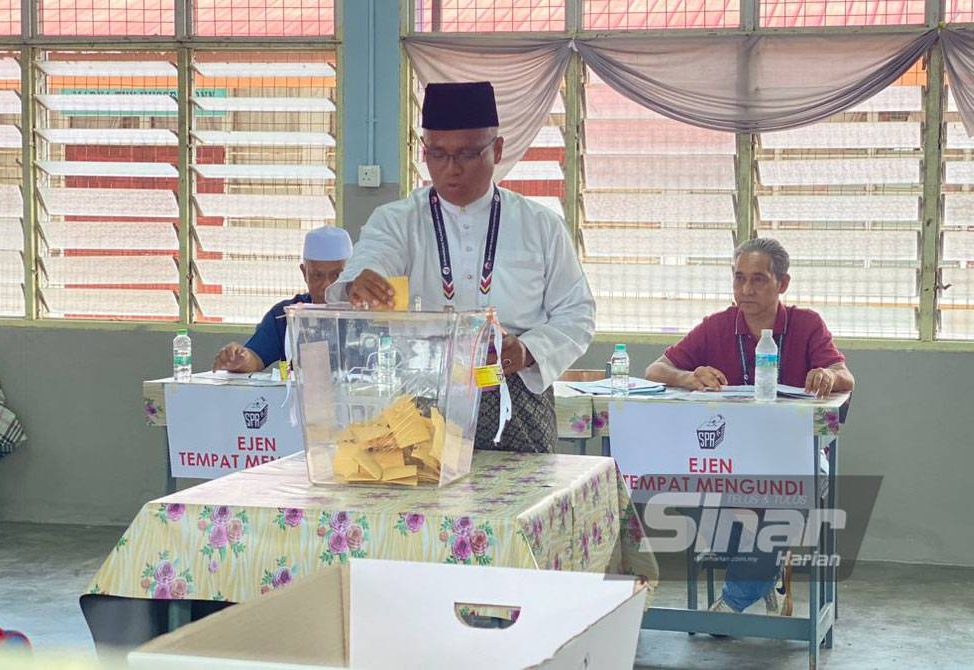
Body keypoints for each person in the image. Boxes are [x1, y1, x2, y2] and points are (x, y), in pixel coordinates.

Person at [326, 81, 595, 453]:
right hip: (420, 401)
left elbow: (577, 314)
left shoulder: (540, 225)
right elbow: (372, 258)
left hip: (513, 395)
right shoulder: (397, 221)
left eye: (467, 154)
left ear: (497, 149)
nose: (451, 169)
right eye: (437, 154)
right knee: (421, 506)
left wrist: (528, 349)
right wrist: (362, 280)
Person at [644, 237, 855, 616]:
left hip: (792, 455)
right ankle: (766, 568)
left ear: (782, 283)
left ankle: (736, 600)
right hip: (730, 459)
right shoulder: (717, 325)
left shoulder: (807, 324)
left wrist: (827, 374)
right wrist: (690, 377)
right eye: (739, 278)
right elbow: (656, 369)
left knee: (786, 501)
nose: (745, 289)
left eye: (758, 280)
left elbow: (846, 378)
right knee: (681, 488)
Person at [213, 226, 353, 373]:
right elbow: (255, 357)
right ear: (304, 273)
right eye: (317, 275)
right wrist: (239, 360)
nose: (327, 285)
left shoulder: (369, 315)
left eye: (337, 275)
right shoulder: (284, 315)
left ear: (353, 273)